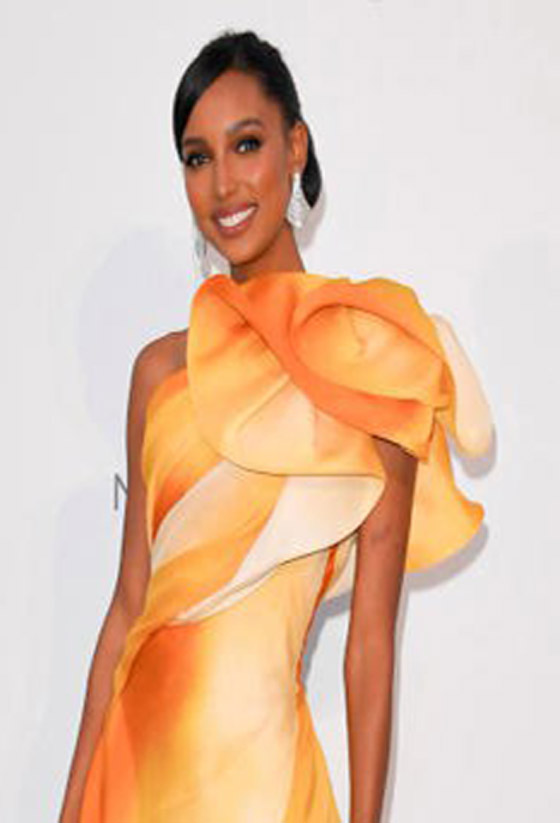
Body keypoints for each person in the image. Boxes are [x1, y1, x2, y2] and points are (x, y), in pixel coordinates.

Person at [59, 28, 493, 823]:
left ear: (296, 146)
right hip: (134, 777)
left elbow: (370, 645)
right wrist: (70, 803)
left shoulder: (373, 359)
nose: (223, 182)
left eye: (246, 144)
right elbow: (127, 606)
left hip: (263, 787)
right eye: (197, 157)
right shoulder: (159, 373)